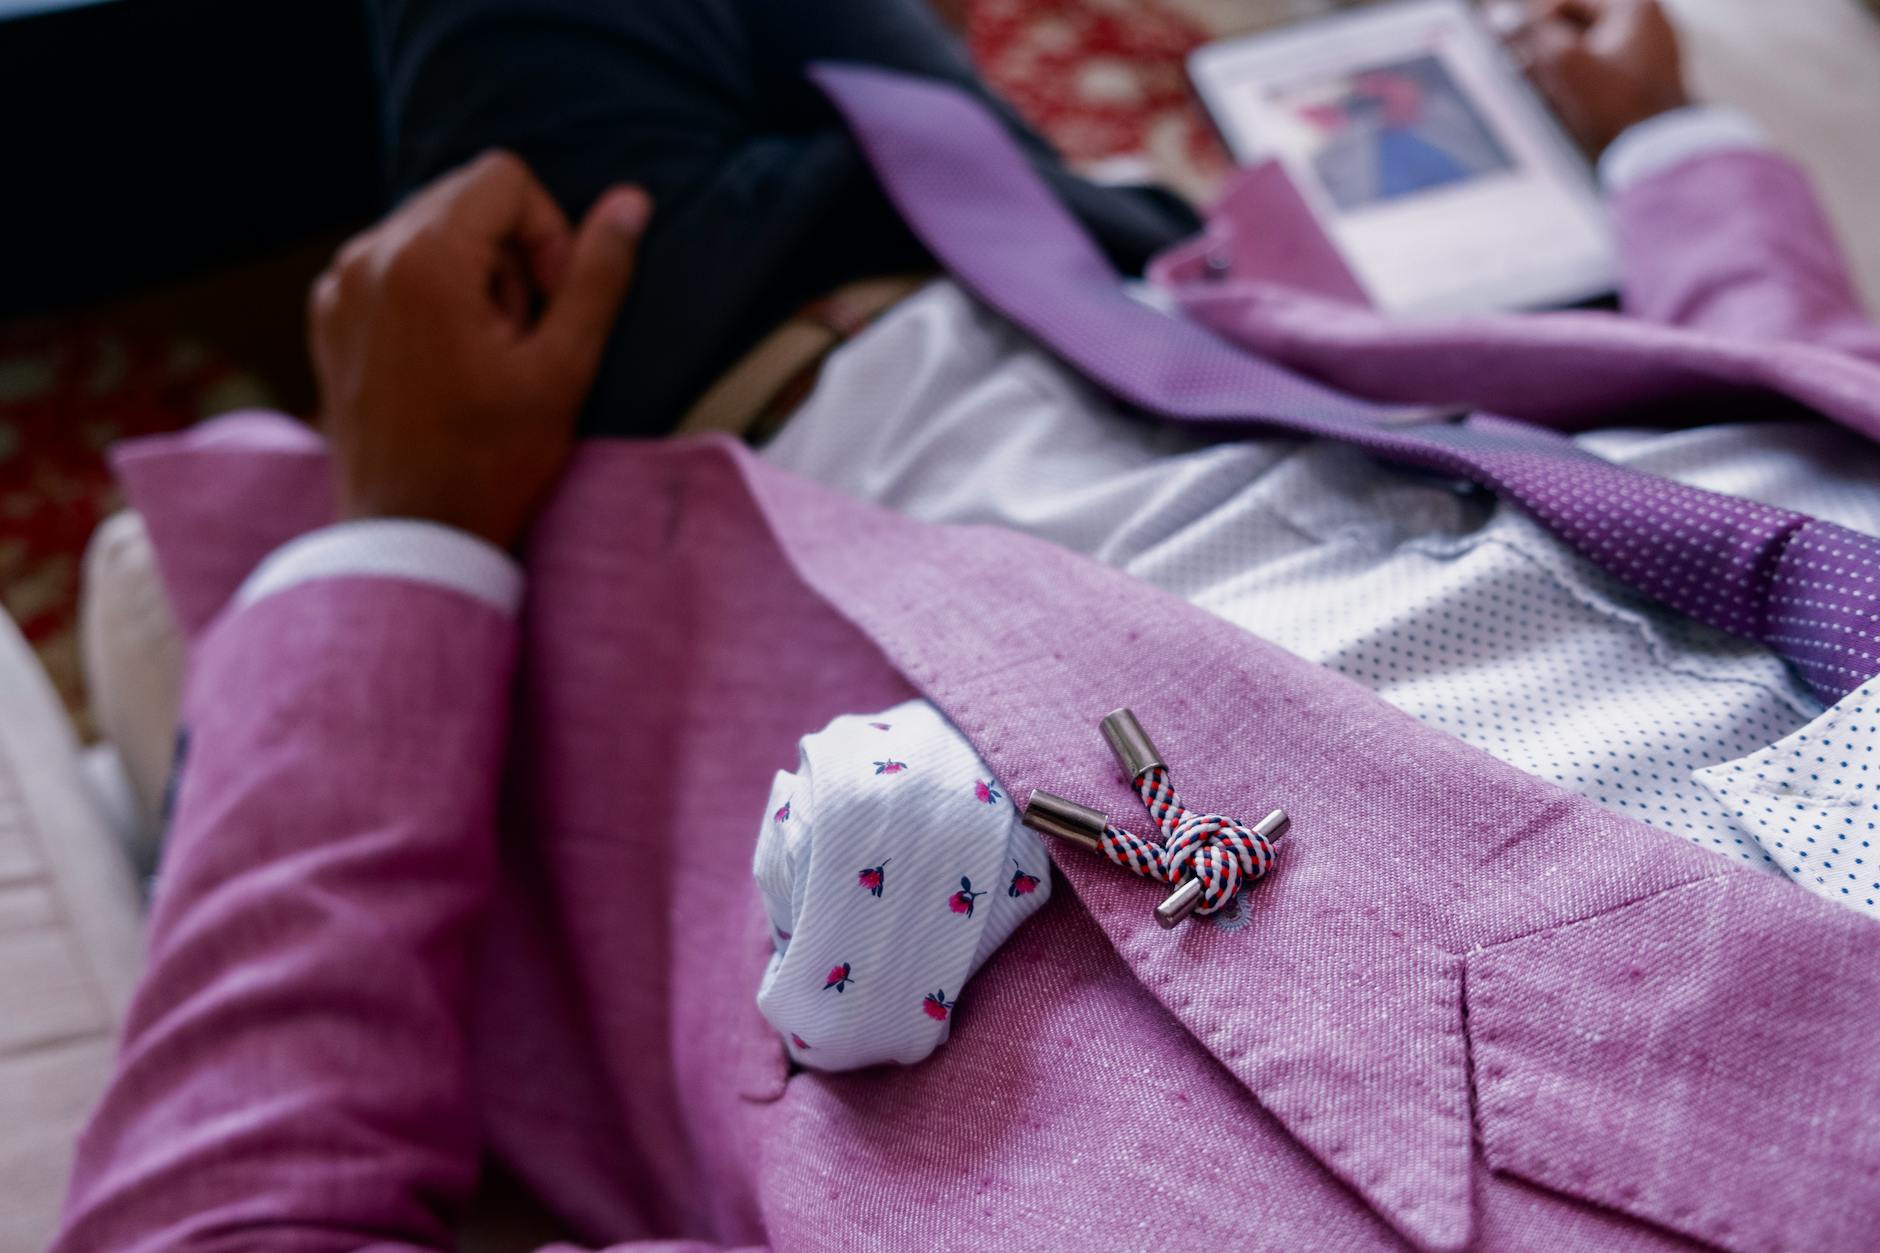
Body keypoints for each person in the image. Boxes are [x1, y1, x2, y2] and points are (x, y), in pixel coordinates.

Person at [53, 0, 1880, 1249]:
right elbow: (1807, 440)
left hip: (687, 431)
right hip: (1124, 292)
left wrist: (411, 539)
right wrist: (1676, 152)